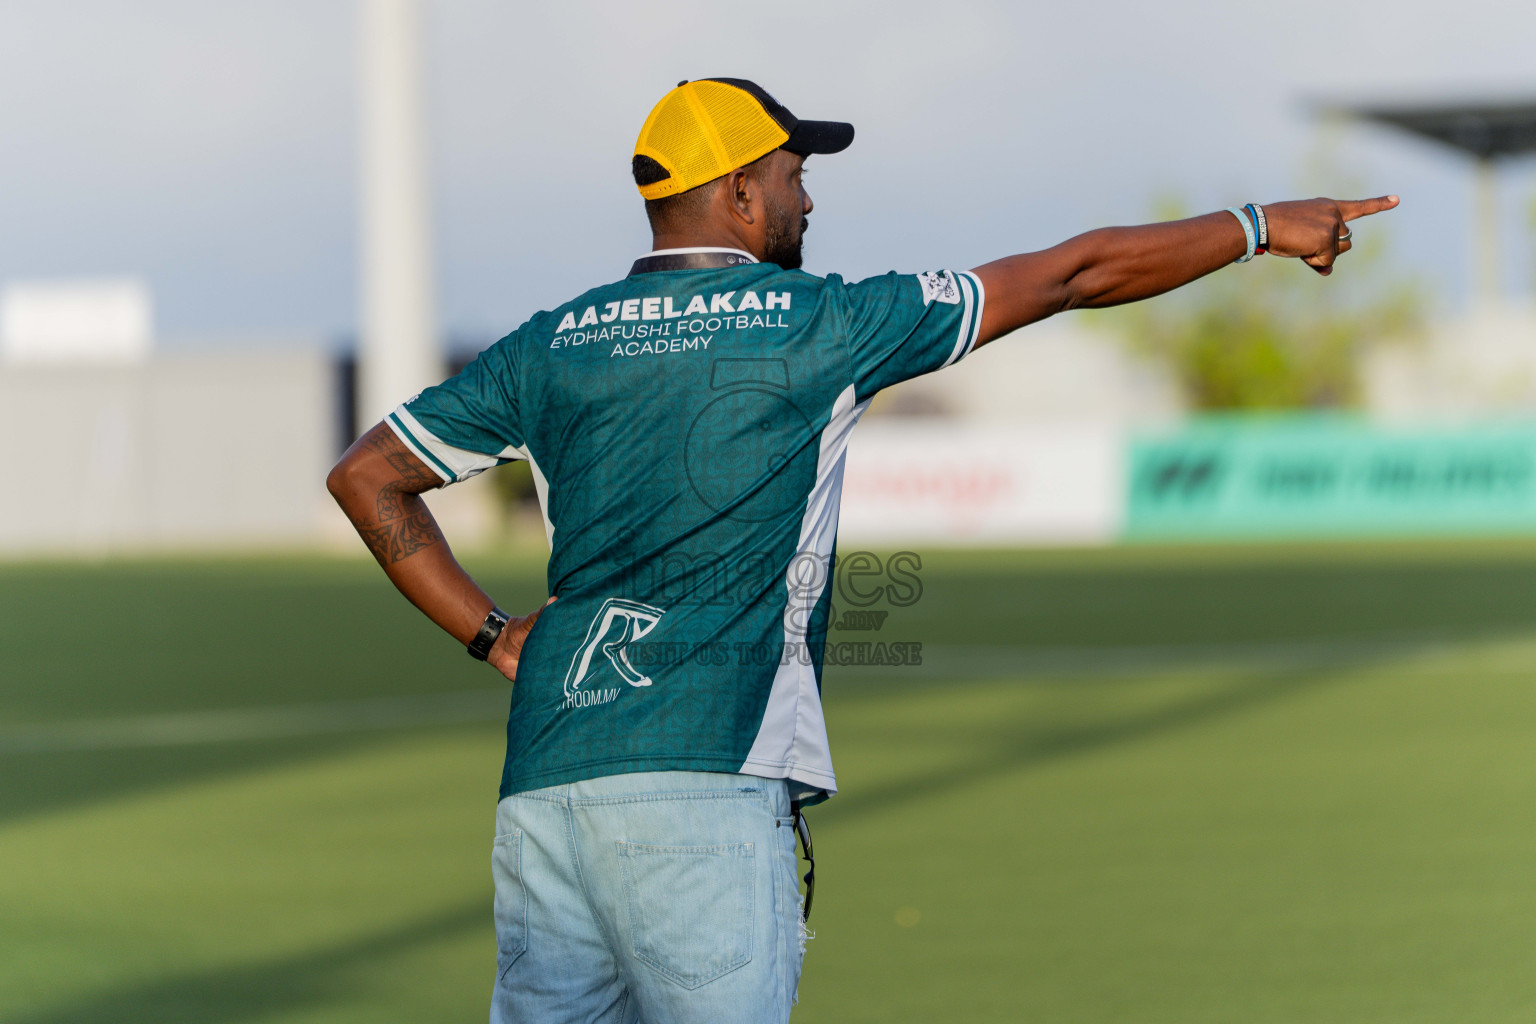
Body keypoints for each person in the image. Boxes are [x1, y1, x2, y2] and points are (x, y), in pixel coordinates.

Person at [327, 77, 1398, 1023]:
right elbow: (1070, 275)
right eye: (793, 173)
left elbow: (367, 474)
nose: (808, 198)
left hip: (548, 785)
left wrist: (495, 636)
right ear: (739, 193)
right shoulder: (821, 321)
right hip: (708, 775)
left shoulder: (548, 342)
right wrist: (1258, 225)